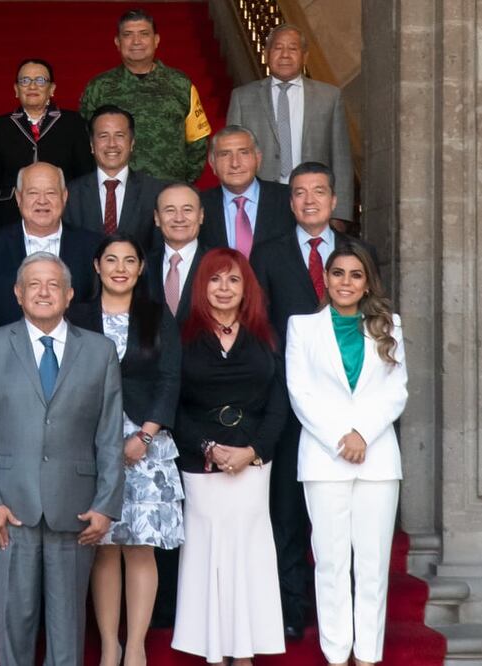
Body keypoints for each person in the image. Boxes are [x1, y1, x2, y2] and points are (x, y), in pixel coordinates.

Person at [0, 251, 124, 666]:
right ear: (17, 293)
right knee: (12, 619)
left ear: (70, 295)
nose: (43, 292)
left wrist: (106, 505)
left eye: (53, 284)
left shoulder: (100, 351)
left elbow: (109, 436)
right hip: (9, 507)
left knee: (68, 624)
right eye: (33, 284)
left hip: (77, 509)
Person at [251, 161, 377, 639]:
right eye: (299, 193)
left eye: (319, 192)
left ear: (334, 200)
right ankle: (291, 608)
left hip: (346, 409)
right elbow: (259, 324)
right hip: (287, 402)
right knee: (285, 510)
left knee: (342, 518)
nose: (309, 201)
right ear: (290, 202)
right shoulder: (268, 253)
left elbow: (375, 317)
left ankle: (341, 613)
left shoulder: (357, 253)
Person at [285, 242, 407, 666]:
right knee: (331, 562)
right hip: (324, 457)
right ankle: (337, 654)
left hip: (377, 459)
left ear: (367, 281)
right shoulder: (302, 327)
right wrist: (342, 436)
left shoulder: (387, 325)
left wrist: (363, 433)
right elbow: (299, 392)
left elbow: (396, 392)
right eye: (338, 273)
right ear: (326, 278)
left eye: (356, 275)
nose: (346, 282)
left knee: (372, 564)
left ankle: (368, 655)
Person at [68, 233, 183, 666]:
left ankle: (135, 645)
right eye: (111, 259)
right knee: (103, 545)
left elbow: (170, 378)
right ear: (96, 266)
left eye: (129, 260)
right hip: (88, 442)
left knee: (140, 547)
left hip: (146, 446)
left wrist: (145, 436)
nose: (120, 267)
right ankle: (109, 645)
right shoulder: (76, 315)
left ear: (140, 269)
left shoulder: (157, 315)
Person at [169, 248, 288, 665]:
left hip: (253, 464)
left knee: (248, 555)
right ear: (202, 286)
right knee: (208, 554)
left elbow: (279, 405)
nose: (223, 288)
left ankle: (245, 651)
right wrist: (208, 448)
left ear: (246, 287)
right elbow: (174, 406)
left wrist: (253, 450)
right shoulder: (181, 338)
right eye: (215, 279)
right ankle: (214, 652)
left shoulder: (265, 337)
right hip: (200, 465)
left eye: (233, 280)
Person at [227, 24, 354, 225]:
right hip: (260, 204)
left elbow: (341, 158)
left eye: (293, 48)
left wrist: (341, 214)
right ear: (267, 54)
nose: (285, 55)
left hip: (313, 203)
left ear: (305, 56)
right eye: (278, 48)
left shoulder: (329, 97)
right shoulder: (243, 97)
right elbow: (230, 155)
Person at [80, 9, 211, 183]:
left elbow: (198, 140)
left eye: (144, 34)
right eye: (128, 35)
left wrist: (184, 183)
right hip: (117, 192)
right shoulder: (99, 86)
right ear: (117, 42)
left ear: (156, 40)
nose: (136, 41)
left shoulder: (180, 83)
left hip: (169, 191)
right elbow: (85, 139)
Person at [0, 162, 100, 328]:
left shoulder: (92, 247)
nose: (42, 201)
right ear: (18, 197)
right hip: (6, 351)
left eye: (51, 193)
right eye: (33, 193)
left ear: (64, 196)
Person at [0, 58, 94, 229]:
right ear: (16, 89)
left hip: (64, 215)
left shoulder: (72, 123)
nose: (32, 86)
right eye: (25, 81)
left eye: (40, 80)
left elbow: (85, 176)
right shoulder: (2, 125)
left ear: (52, 89)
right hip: (11, 216)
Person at [64, 105, 165, 249]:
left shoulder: (154, 192)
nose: (112, 144)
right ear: (92, 145)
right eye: (103, 136)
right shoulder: (70, 194)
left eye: (119, 136)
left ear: (132, 143)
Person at [198, 125, 294, 256]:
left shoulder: (288, 198)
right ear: (212, 163)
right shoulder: (198, 204)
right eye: (225, 154)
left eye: (244, 153)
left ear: (258, 159)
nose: (235, 163)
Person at [145, 182, 209, 322]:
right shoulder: (142, 265)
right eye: (169, 210)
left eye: (187, 210)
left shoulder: (219, 265)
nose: (179, 218)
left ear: (201, 215)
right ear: (157, 218)